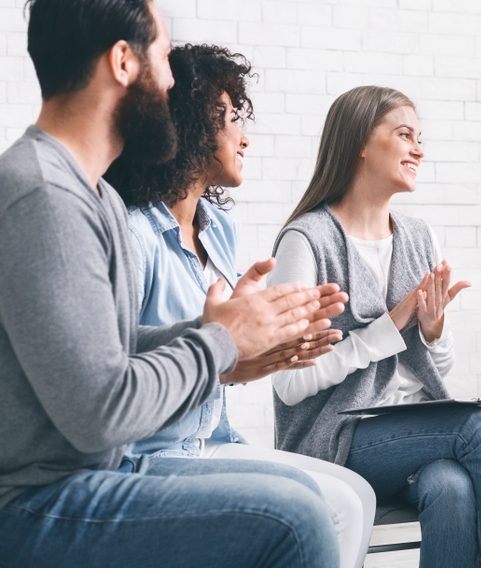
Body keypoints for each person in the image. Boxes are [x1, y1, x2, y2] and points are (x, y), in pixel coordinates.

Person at [0, 1, 348, 565]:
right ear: (122, 62)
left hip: (82, 482)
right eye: (161, 57)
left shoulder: (94, 196)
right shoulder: (42, 194)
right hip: (33, 503)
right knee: (293, 517)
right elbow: (100, 412)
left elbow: (104, 356)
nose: (169, 82)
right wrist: (220, 343)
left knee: (301, 499)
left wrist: (217, 329)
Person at [103, 43, 376, 568]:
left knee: (356, 495)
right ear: (188, 126)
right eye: (228, 119)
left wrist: (266, 346)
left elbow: (222, 347)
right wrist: (224, 357)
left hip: (211, 438)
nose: (243, 136)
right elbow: (115, 370)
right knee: (334, 505)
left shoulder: (218, 227)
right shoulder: (134, 235)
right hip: (149, 454)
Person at [269, 85, 481, 568]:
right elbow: (288, 384)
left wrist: (433, 332)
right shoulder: (305, 241)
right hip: (335, 436)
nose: (419, 148)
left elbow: (433, 365)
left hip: (412, 429)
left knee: (451, 489)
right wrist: (385, 331)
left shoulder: (418, 236)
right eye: (404, 134)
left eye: (420, 137)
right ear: (360, 144)